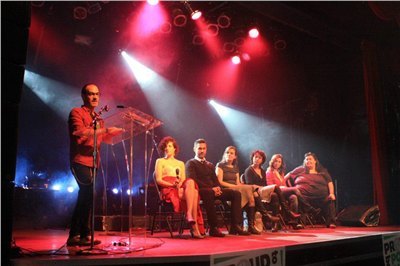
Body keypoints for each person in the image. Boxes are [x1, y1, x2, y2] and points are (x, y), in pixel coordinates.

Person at [67, 83, 124, 246]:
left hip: (94, 162)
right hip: (79, 161)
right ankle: (75, 234)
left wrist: (116, 131)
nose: (94, 97)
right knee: (86, 193)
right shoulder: (76, 112)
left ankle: (83, 235)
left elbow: (103, 139)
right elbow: (79, 133)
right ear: (83, 96)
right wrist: (105, 131)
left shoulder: (99, 119)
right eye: (91, 94)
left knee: (88, 197)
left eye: (97, 94)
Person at [185, 139, 249, 237]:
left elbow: (215, 180)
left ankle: (235, 226)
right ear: (194, 149)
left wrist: (217, 188)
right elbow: (192, 180)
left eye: (204, 148)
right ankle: (213, 228)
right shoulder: (191, 163)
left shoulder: (209, 165)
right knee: (209, 193)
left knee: (236, 193)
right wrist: (212, 189)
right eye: (199, 148)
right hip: (199, 190)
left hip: (212, 190)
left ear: (206, 149)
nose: (202, 151)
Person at [155, 136, 204, 239]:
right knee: (194, 193)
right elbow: (159, 180)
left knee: (191, 182)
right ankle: (194, 228)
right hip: (167, 187)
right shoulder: (160, 161)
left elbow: (183, 180)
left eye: (169, 146)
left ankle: (189, 214)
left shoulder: (180, 163)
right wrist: (172, 185)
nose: (167, 148)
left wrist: (178, 184)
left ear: (174, 149)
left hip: (179, 187)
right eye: (165, 146)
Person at [244, 150, 300, 232]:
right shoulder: (249, 170)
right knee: (276, 187)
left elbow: (265, 184)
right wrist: (262, 187)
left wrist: (264, 188)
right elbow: (250, 185)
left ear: (262, 160)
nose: (257, 159)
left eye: (259, 158)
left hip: (263, 191)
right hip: (255, 192)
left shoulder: (262, 171)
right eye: (255, 157)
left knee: (275, 196)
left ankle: (276, 224)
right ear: (252, 158)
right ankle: (288, 211)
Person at [216, 146, 262, 234]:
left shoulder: (235, 168)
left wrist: (242, 187)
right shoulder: (220, 165)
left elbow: (238, 183)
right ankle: (261, 215)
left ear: (235, 156)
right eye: (227, 152)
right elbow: (220, 182)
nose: (229, 154)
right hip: (226, 190)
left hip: (237, 190)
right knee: (250, 191)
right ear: (224, 154)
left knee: (251, 192)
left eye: (231, 153)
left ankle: (250, 226)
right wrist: (236, 187)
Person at [266, 154, 321, 228]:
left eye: (279, 162)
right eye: (276, 161)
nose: (277, 163)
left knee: (294, 197)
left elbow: (284, 184)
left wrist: (284, 187)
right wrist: (282, 187)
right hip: (275, 191)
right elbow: (269, 185)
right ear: (272, 162)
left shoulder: (280, 173)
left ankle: (293, 221)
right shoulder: (269, 172)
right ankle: (310, 208)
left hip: (282, 191)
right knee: (295, 189)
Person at [285, 152, 337, 228]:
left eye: (310, 159)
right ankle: (300, 222)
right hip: (304, 197)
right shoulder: (300, 169)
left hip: (321, 198)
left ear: (315, 161)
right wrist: (287, 188)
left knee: (330, 199)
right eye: (306, 159)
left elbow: (330, 182)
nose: (308, 161)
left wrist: (332, 193)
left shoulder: (322, 171)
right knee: (298, 198)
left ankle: (331, 222)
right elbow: (286, 178)